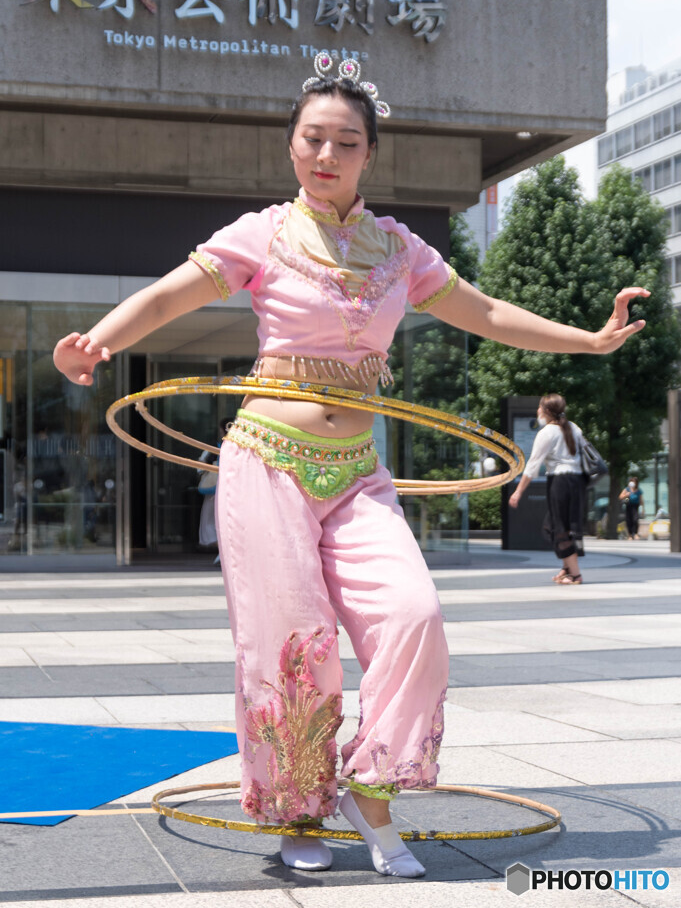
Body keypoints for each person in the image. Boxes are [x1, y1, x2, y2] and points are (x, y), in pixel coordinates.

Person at [53, 52, 649, 878]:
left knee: (413, 618)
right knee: (293, 647)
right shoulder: (261, 232)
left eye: (345, 142)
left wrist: (586, 339)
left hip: (357, 471)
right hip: (267, 464)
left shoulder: (400, 251)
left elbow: (485, 312)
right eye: (311, 140)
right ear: (290, 147)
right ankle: (298, 812)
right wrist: (101, 340)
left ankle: (372, 792)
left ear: (370, 154)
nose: (325, 156)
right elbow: (170, 295)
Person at [509, 394, 587, 584]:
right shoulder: (574, 428)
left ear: (547, 411)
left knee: (559, 528)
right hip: (577, 482)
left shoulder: (547, 432)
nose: (537, 411)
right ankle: (567, 568)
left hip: (560, 482)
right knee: (556, 525)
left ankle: (575, 575)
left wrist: (518, 491)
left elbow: (532, 466)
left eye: (539, 407)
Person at [197, 417, 231, 553]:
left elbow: (200, 466)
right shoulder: (243, 447)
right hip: (234, 489)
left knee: (211, 517)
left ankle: (218, 545)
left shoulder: (214, 447)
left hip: (215, 489)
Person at [619, 475, 644, 540]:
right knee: (628, 520)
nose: (633, 483)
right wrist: (626, 495)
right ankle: (630, 535)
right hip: (628, 506)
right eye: (632, 481)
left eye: (635, 482)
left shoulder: (638, 491)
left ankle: (635, 533)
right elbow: (620, 497)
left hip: (635, 506)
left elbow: (641, 500)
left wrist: (643, 509)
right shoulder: (627, 489)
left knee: (635, 519)